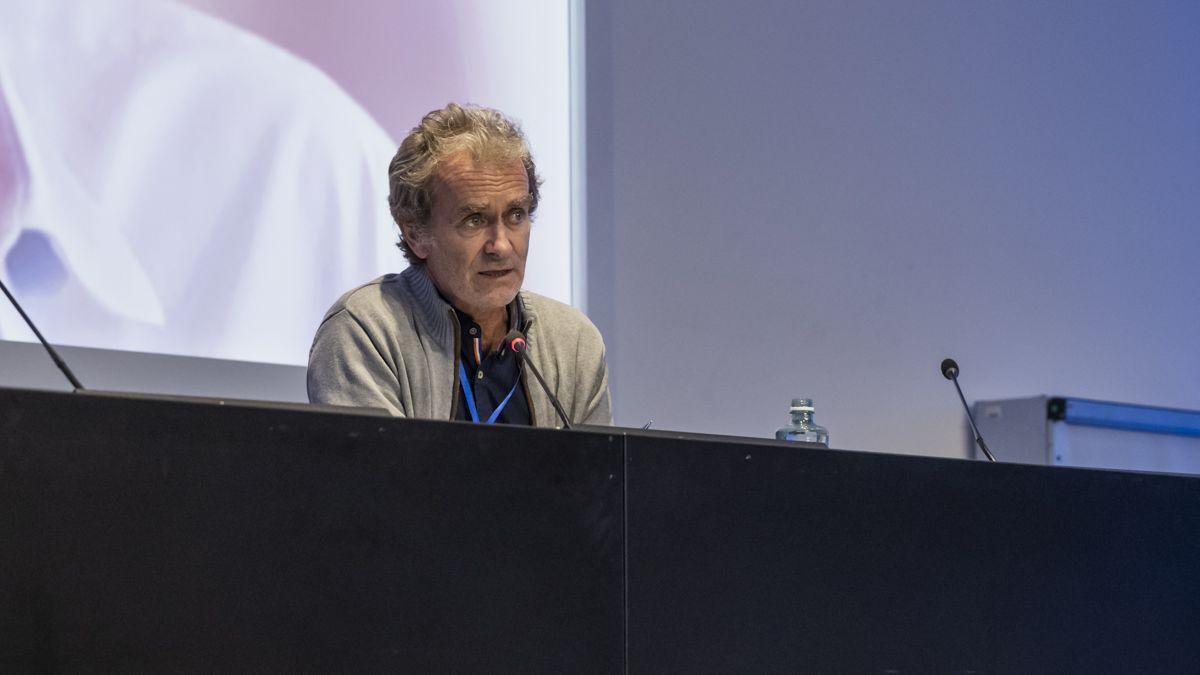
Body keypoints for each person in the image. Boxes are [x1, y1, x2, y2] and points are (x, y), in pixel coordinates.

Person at [307, 104, 611, 427]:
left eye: (516, 215)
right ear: (414, 233)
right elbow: (380, 476)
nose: (501, 246)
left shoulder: (573, 343)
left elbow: (601, 476)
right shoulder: (365, 333)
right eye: (474, 220)